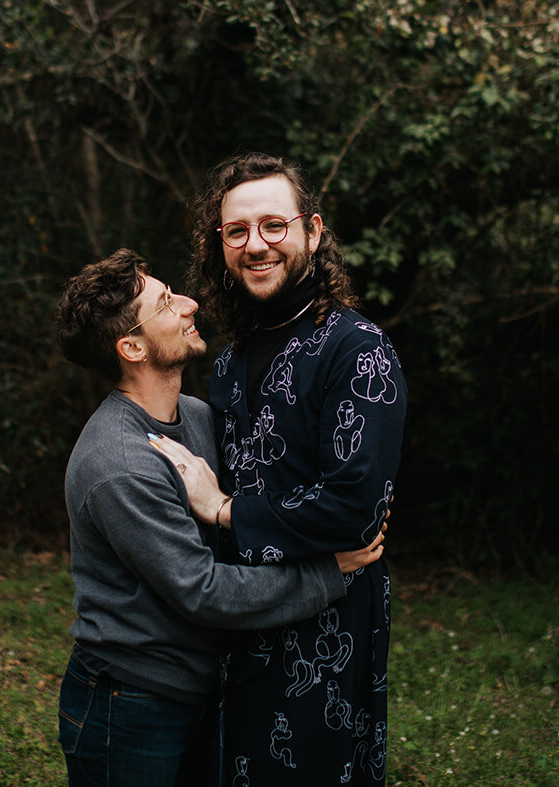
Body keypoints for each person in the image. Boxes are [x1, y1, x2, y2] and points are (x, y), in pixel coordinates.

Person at [53, 248, 384, 787]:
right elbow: (203, 591)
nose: (188, 304)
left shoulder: (201, 418)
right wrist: (327, 571)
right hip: (130, 702)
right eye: (165, 303)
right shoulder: (120, 463)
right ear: (131, 347)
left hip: (197, 690)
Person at [151, 153, 405, 785]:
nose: (255, 245)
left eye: (274, 226)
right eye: (237, 231)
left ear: (312, 232)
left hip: (328, 628)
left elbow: (354, 509)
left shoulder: (357, 349)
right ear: (221, 243)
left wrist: (225, 509)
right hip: (240, 622)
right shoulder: (232, 359)